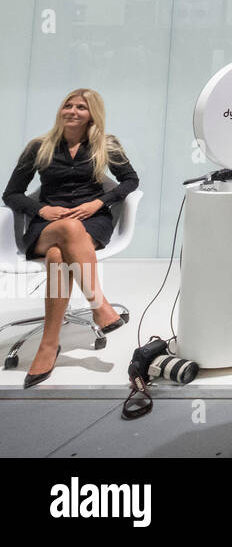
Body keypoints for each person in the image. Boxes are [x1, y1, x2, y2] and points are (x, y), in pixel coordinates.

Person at [3, 89, 137, 387]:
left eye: (81, 107)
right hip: (47, 226)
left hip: (92, 222)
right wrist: (42, 208)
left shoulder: (107, 145)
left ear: (92, 114)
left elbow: (131, 180)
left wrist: (100, 202)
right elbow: (10, 193)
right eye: (68, 105)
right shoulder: (39, 147)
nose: (73, 111)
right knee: (67, 229)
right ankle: (99, 306)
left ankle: (48, 345)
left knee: (57, 256)